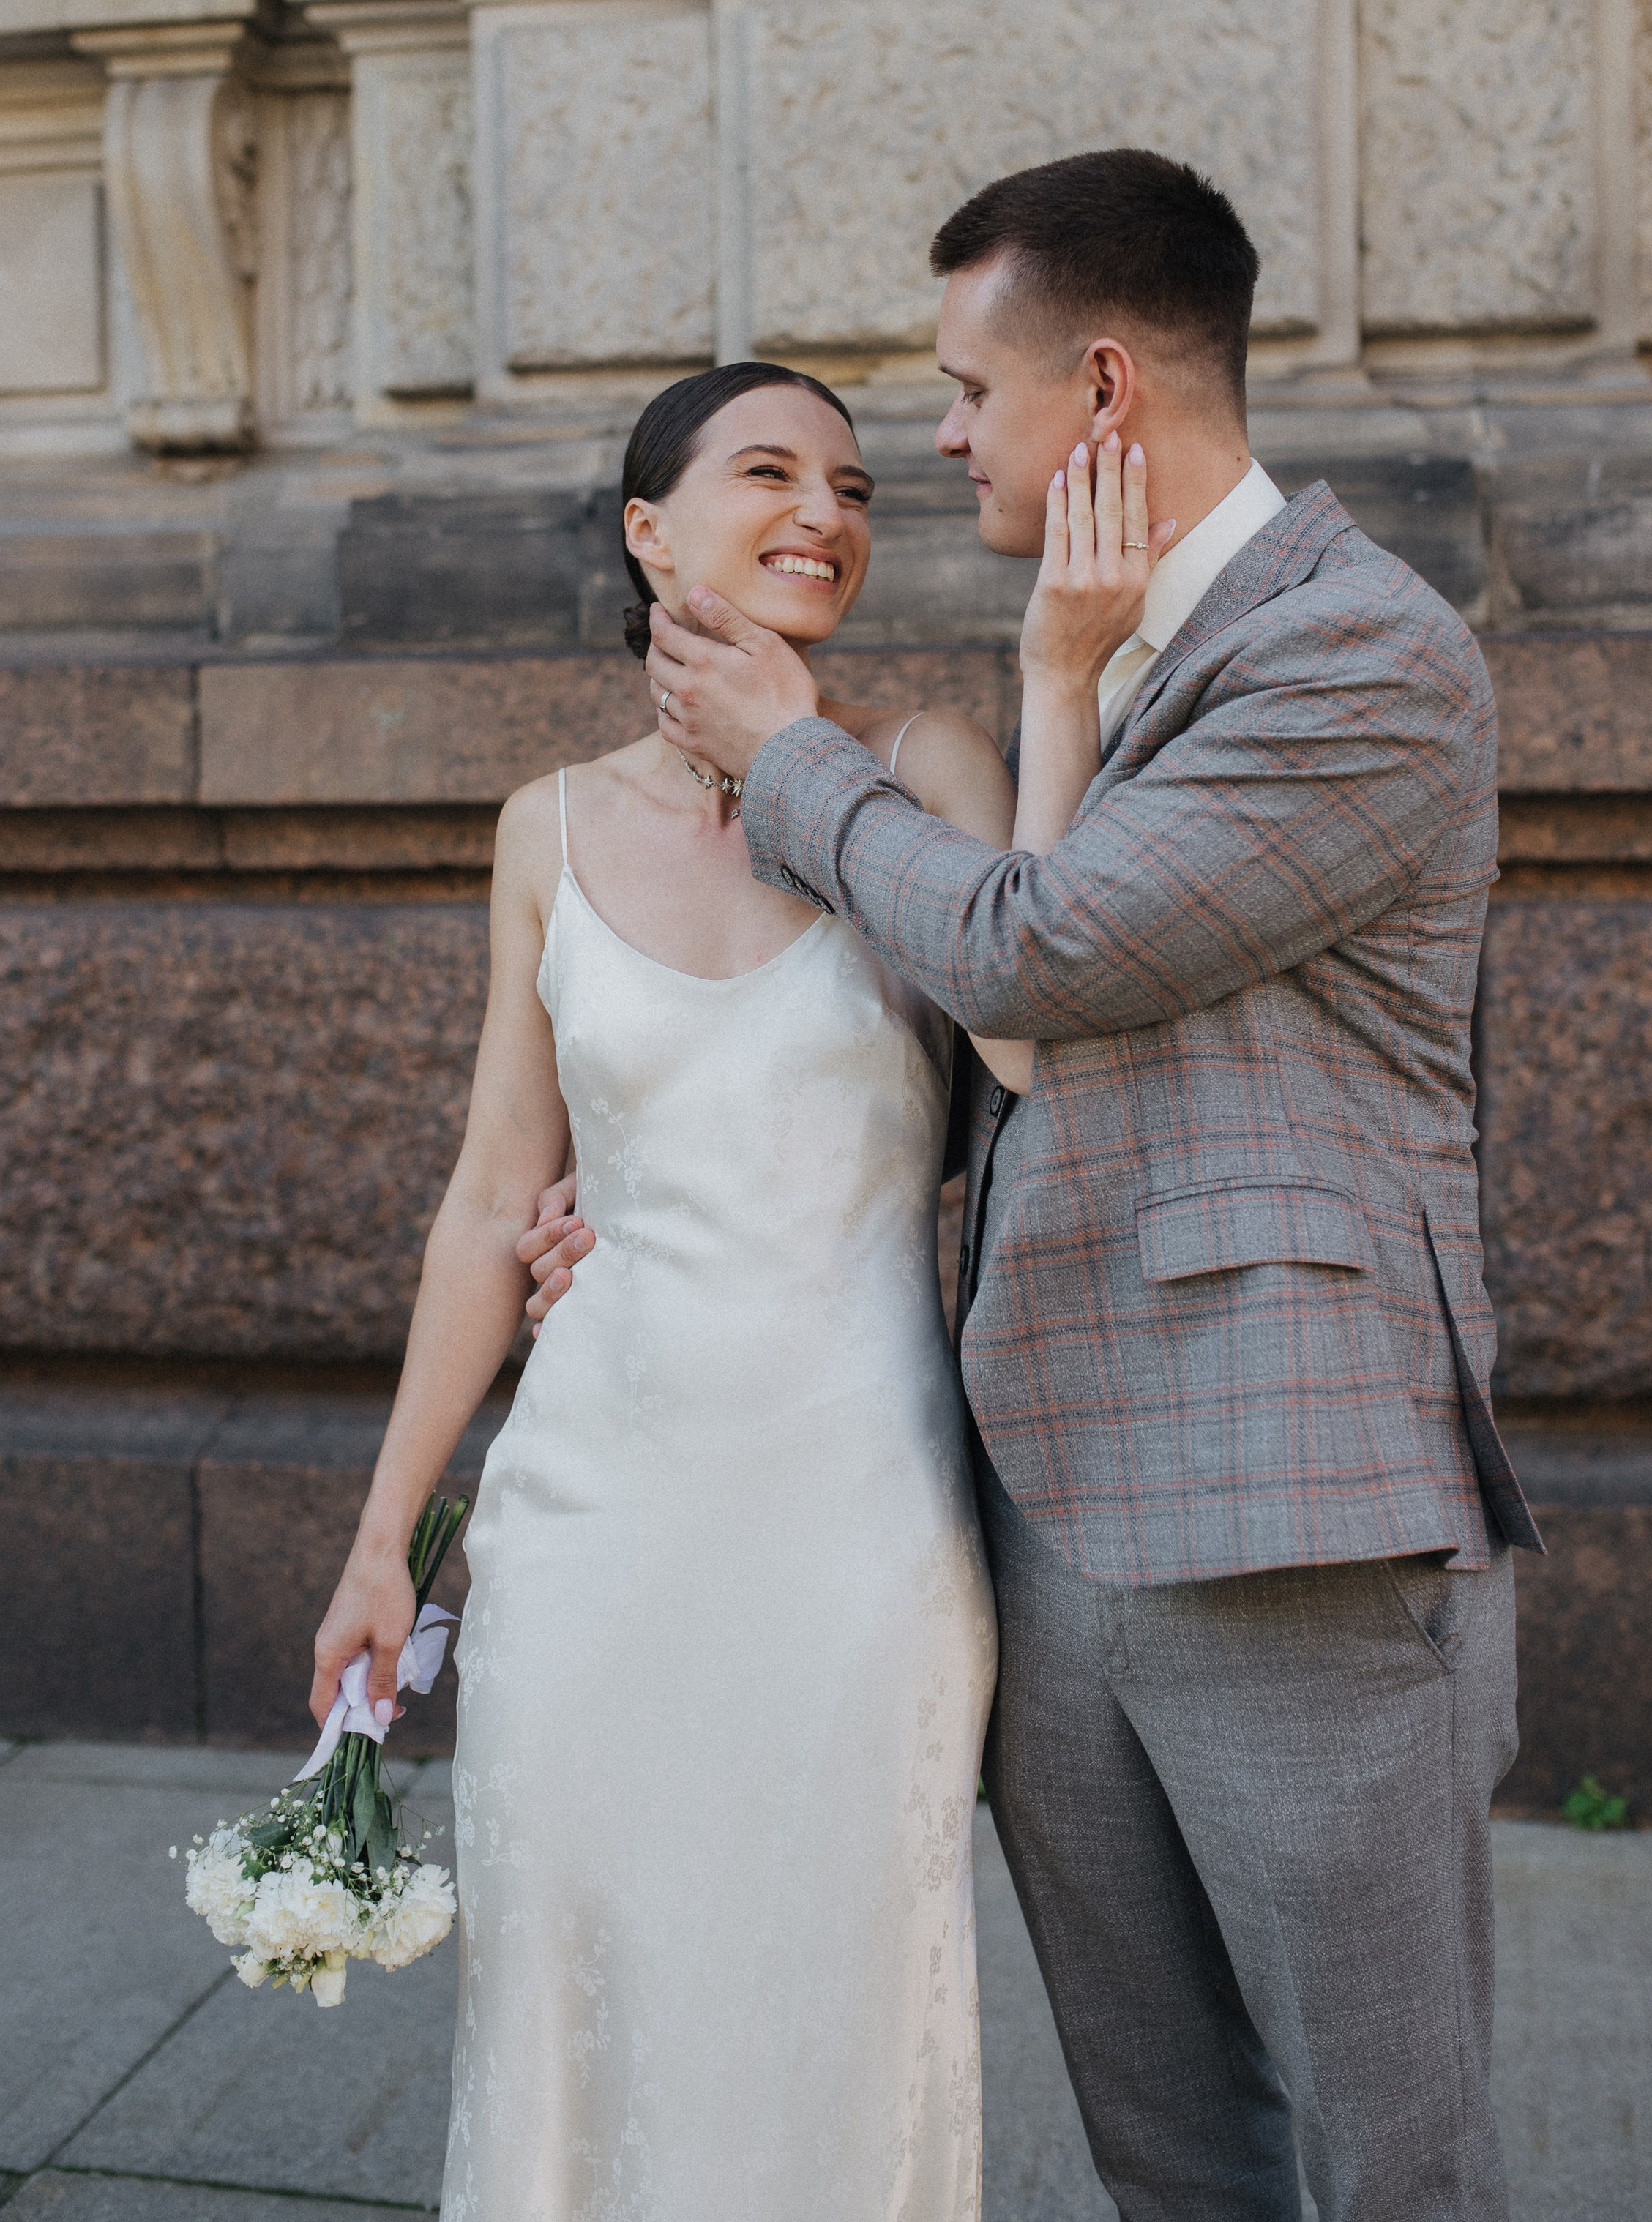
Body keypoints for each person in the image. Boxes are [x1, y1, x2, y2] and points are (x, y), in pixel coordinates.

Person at [536, 149, 1544, 2222]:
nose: (932, 435)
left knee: (1390, 2152)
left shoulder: (1358, 652)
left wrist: (792, 747)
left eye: (963, 393)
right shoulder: (1088, 655)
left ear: (1097, 389)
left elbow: (1043, 955)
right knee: (1171, 2145)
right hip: (1042, 1513)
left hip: (1291, 1522)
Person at [309, 357, 1144, 2222]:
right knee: (573, 2002)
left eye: (854, 488)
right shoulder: (545, 827)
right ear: (644, 525)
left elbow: (1027, 1037)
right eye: (767, 473)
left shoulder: (919, 766)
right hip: (593, 1516)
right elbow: (483, 1198)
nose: (826, 515)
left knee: (827, 2003)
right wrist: (388, 1545)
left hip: (854, 1524)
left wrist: (1056, 678)